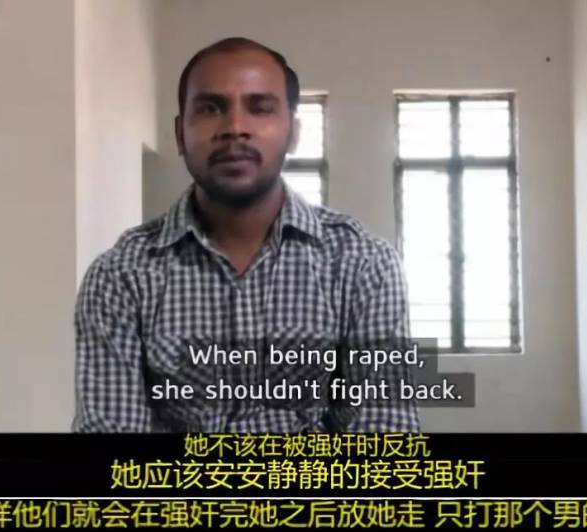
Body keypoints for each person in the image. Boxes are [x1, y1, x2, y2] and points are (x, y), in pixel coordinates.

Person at [72, 37, 419, 432]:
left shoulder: (364, 265)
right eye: (211, 108)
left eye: (260, 108)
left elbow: (384, 431)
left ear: (292, 132)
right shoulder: (120, 276)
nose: (235, 128)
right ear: (180, 134)